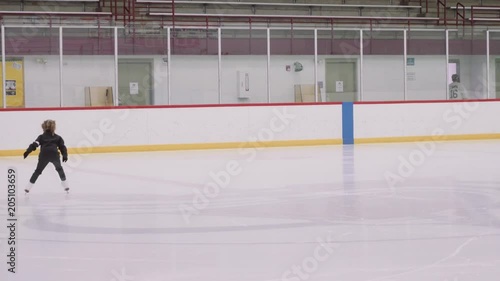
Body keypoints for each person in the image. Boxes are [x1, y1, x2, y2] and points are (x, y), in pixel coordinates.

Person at [23, 119, 69, 193]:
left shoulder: (41, 137)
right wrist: (65, 155)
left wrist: (28, 151)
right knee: (59, 169)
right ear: (54, 127)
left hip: (44, 155)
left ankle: (28, 187)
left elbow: (35, 144)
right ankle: (66, 186)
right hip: (54, 155)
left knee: (38, 171)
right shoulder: (58, 137)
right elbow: (62, 147)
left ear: (43, 127)